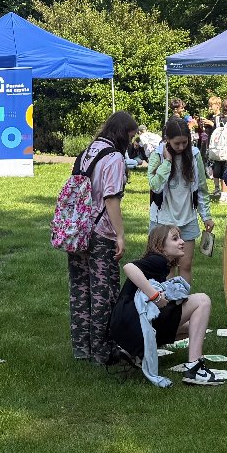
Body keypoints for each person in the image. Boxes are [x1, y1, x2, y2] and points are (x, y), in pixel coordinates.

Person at [108, 225, 219, 386]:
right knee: (202, 300)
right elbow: (129, 267)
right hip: (132, 325)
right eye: (175, 239)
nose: (182, 242)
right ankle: (195, 367)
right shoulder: (158, 260)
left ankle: (133, 353)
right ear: (161, 247)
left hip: (125, 328)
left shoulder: (162, 265)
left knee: (192, 327)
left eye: (180, 238)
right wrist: (154, 295)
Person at [67, 110, 138, 364]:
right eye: (131, 136)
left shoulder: (87, 151)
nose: (131, 142)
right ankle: (102, 350)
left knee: (80, 289)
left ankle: (81, 347)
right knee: (103, 291)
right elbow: (111, 199)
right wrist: (120, 235)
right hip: (100, 231)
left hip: (77, 229)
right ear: (122, 134)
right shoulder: (114, 157)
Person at [147, 117, 214, 275]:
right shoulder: (157, 155)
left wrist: (206, 216)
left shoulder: (194, 155)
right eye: (177, 143)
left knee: (186, 265)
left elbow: (202, 188)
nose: (181, 147)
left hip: (187, 218)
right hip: (162, 220)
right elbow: (155, 186)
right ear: (167, 140)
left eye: (185, 142)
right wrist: (167, 162)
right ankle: (167, 293)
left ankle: (183, 293)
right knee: (166, 267)